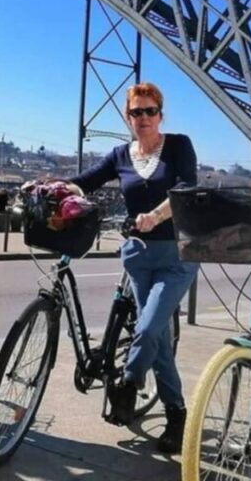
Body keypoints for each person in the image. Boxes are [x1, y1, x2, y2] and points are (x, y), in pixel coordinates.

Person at [70, 82, 198, 453]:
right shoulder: (120, 154)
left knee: (147, 327)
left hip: (177, 256)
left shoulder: (178, 146)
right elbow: (87, 181)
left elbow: (187, 187)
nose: (142, 118)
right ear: (127, 116)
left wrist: (156, 216)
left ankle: (126, 385)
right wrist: (53, 186)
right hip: (138, 257)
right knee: (154, 337)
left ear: (161, 114)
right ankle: (176, 415)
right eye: (135, 112)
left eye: (149, 111)